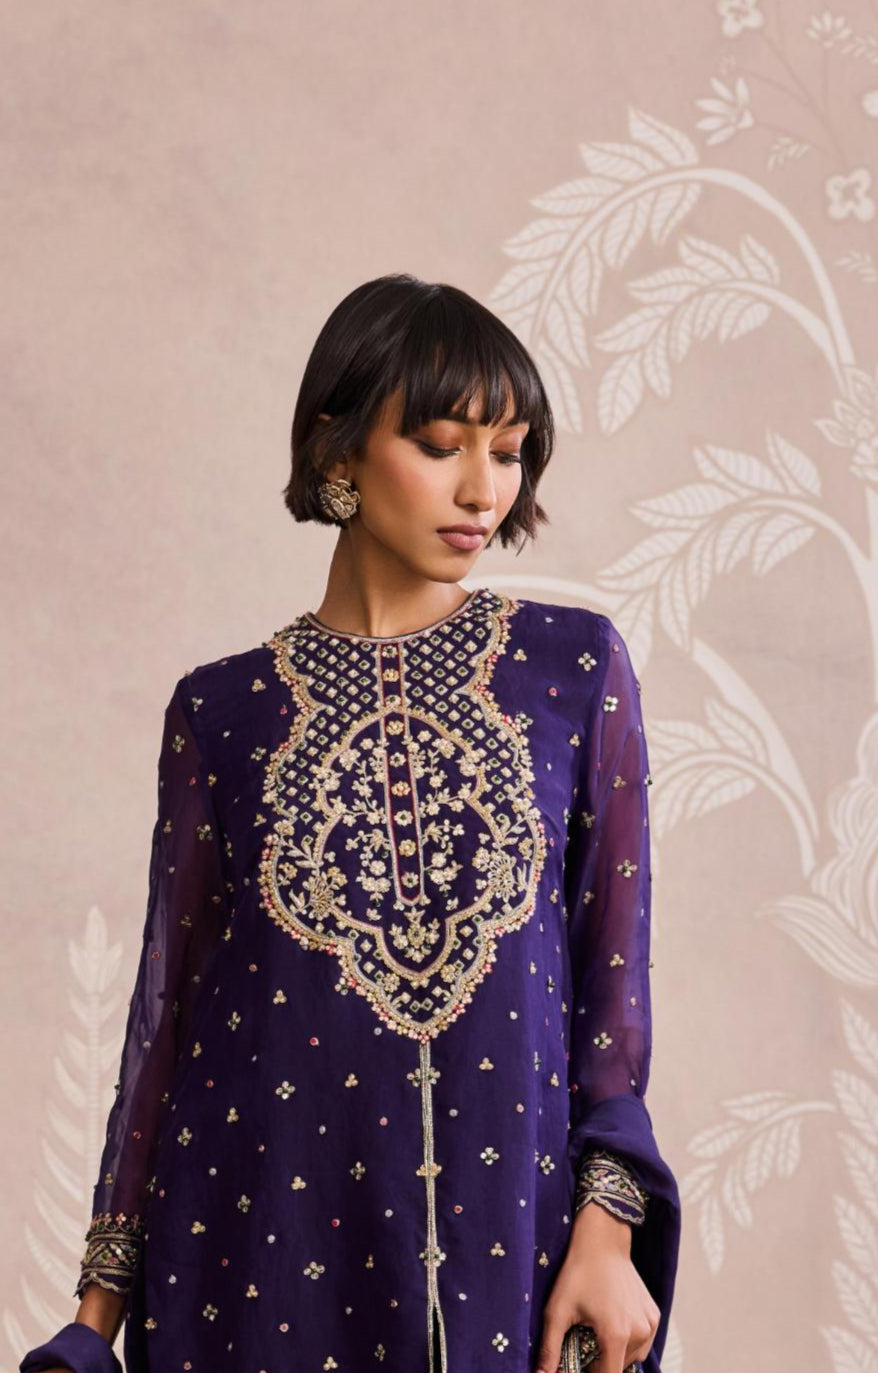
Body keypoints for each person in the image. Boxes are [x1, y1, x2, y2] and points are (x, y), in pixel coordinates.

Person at [20, 273, 680, 1373]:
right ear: (338, 451)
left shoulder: (573, 669)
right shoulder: (221, 713)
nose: (483, 488)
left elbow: (611, 985)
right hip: (256, 1257)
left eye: (509, 451)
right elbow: (168, 1017)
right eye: (440, 444)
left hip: (512, 1256)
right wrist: (94, 1318)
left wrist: (608, 1228)